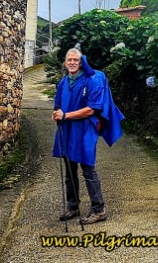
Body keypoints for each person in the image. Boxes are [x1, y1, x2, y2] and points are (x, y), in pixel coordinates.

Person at [51, 47, 124, 224]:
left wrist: (66, 115)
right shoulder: (64, 82)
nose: (72, 62)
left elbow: (91, 109)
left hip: (84, 130)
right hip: (67, 129)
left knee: (88, 169)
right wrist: (57, 113)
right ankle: (73, 206)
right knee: (69, 170)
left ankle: (99, 209)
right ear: (65, 62)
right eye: (69, 59)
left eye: (76, 59)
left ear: (82, 61)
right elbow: (58, 105)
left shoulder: (91, 81)